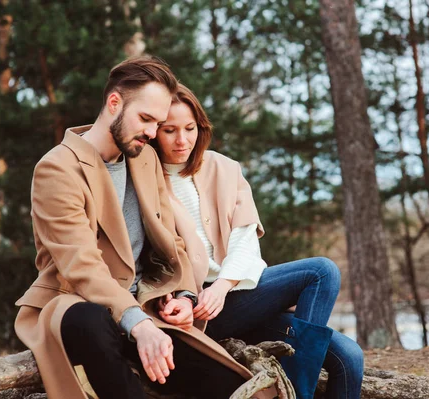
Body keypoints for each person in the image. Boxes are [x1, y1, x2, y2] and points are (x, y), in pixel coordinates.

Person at [14, 57, 273, 399]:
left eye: (157, 122)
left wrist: (183, 295)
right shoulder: (57, 168)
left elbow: (171, 243)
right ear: (114, 103)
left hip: (148, 307)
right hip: (76, 305)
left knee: (236, 387)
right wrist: (138, 323)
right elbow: (81, 266)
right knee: (91, 321)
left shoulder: (144, 158)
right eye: (146, 119)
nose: (152, 133)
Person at [151, 83, 365, 399]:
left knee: (350, 357)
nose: (182, 139)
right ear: (155, 131)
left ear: (201, 127)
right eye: (169, 130)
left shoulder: (224, 168)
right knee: (321, 270)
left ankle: (296, 387)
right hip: (198, 309)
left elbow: (245, 239)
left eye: (189, 128)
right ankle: (299, 395)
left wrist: (223, 285)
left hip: (239, 293)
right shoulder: (147, 180)